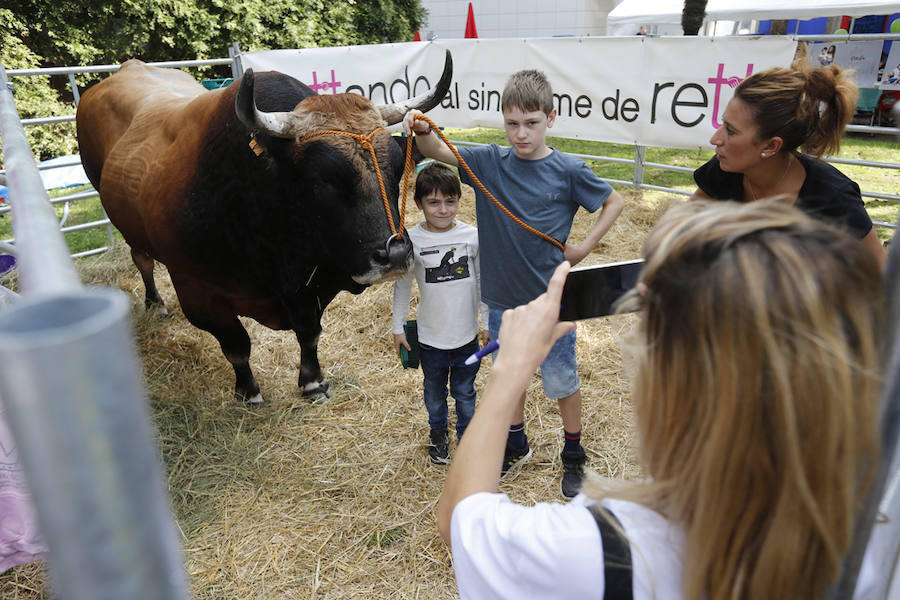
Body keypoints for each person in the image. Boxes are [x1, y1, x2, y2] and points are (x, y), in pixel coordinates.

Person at [437, 200, 884, 599]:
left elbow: (460, 519)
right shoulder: (875, 531)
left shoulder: (599, 551)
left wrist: (510, 371)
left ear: (677, 380)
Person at [402, 69, 625, 497]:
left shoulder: (568, 169)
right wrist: (421, 127)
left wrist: (583, 247)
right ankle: (517, 442)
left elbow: (613, 202)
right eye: (512, 123)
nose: (521, 134)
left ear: (551, 118)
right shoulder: (489, 162)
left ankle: (573, 453)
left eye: (532, 123)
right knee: (512, 377)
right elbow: (434, 149)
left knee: (561, 379)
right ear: (503, 121)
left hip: (552, 303)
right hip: (504, 302)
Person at [692, 62, 887, 267]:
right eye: (723, 123)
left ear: (771, 146)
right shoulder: (724, 170)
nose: (715, 139)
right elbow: (682, 231)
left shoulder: (833, 198)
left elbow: (880, 272)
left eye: (731, 131)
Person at [392, 163, 489, 465]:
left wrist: (486, 322)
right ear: (418, 203)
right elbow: (403, 284)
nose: (443, 210)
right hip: (430, 338)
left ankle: (467, 438)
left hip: (466, 337)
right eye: (434, 202)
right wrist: (397, 327)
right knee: (434, 394)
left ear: (459, 200)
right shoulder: (411, 240)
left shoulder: (472, 236)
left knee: (465, 392)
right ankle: (438, 433)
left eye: (450, 201)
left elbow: (482, 281)